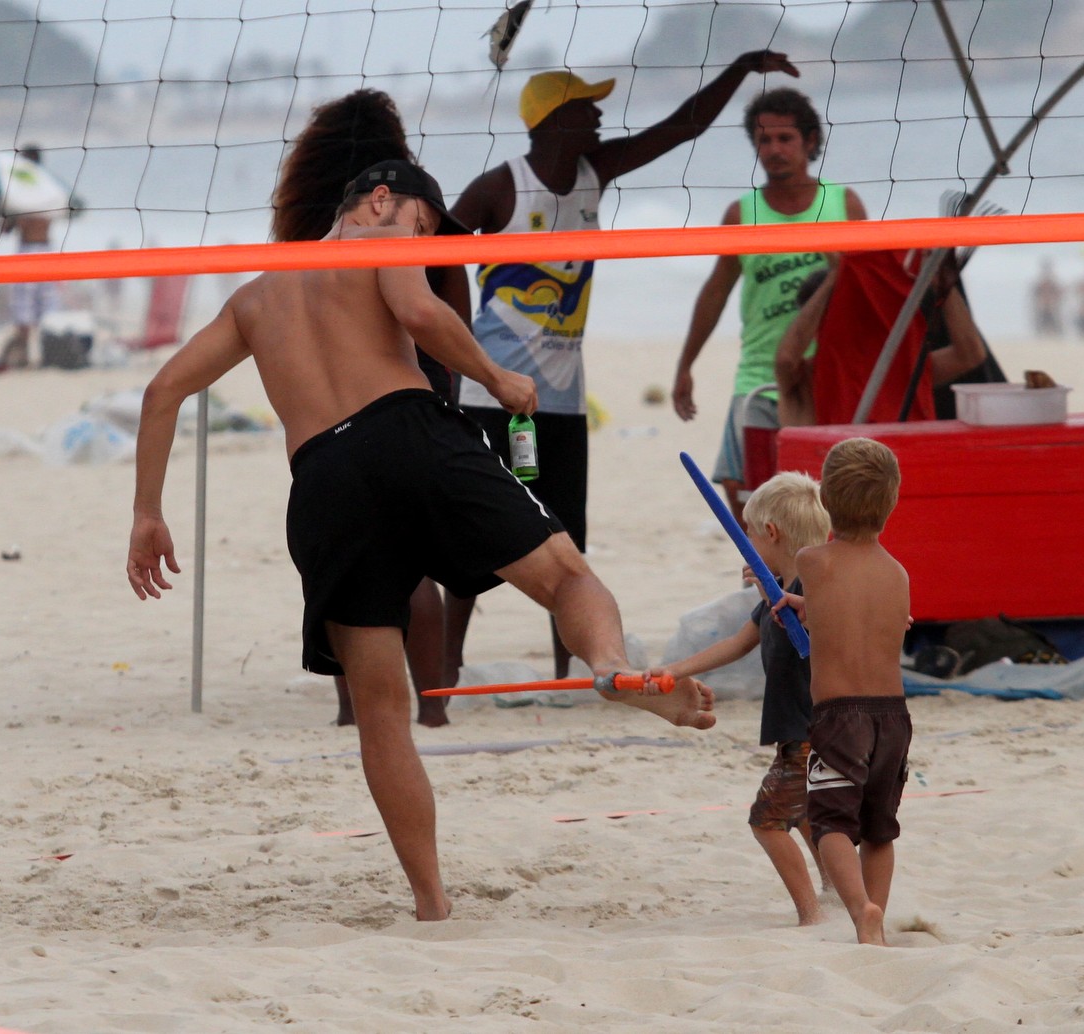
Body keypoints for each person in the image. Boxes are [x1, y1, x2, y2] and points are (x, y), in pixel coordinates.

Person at [126, 159, 715, 921]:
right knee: (566, 573)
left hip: (323, 480)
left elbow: (161, 391)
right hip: (405, 431)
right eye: (427, 228)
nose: (429, 243)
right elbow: (422, 315)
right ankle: (609, 668)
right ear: (379, 200)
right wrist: (497, 378)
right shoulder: (382, 240)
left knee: (380, 712)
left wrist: (148, 512)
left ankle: (432, 903)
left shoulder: (253, 297)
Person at [447, 50, 801, 681]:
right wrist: (449, 366)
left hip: (561, 399)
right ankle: (444, 673)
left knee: (566, 542)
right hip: (490, 394)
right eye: (588, 106)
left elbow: (680, 129)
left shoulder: (594, 170)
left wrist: (739, 67)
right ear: (554, 121)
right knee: (475, 543)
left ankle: (566, 673)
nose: (601, 114)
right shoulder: (499, 187)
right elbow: (435, 262)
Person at [271, 87, 474, 728]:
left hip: (332, 398)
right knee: (417, 554)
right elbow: (451, 300)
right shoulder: (419, 214)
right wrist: (459, 389)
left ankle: (349, 707)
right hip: (419, 381)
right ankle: (435, 709)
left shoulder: (311, 222)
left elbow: (290, 317)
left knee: (343, 551)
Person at [672, 87, 867, 527]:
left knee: (831, 495)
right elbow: (716, 292)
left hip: (829, 372)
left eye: (785, 138)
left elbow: (872, 288)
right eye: (764, 140)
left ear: (810, 142)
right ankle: (760, 585)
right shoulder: (743, 213)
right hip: (760, 372)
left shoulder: (842, 204)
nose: (774, 150)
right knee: (744, 492)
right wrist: (686, 365)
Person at [649, 472, 831, 925]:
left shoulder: (814, 594)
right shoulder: (776, 594)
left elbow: (828, 636)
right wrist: (673, 670)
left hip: (812, 729)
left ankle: (812, 915)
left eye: (748, 532)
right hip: (798, 730)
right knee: (808, 815)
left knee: (767, 822)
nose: (745, 542)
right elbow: (737, 643)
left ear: (770, 534)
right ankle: (834, 895)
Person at [787, 436, 912, 946]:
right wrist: (811, 611)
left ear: (825, 501)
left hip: (840, 717)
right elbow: (862, 624)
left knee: (831, 824)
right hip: (893, 718)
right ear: (892, 502)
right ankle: (874, 921)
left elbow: (828, 611)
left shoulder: (812, 561)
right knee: (880, 828)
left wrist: (795, 604)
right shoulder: (897, 573)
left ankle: (860, 909)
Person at [773, 249, 1004, 427]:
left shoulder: (898, 369)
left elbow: (971, 354)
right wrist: (836, 277)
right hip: (825, 484)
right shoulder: (803, 379)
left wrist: (944, 286)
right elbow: (786, 360)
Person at [0, 146, 59, 369]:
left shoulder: (21, 189)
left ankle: (26, 356)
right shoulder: (49, 186)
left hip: (28, 252)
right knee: (46, 310)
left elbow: (8, 227)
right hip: (47, 252)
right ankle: (44, 356)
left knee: (25, 311)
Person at [1031, 258, 1063, 337]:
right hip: (1045, 307)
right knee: (1043, 328)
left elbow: (1058, 294)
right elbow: (1035, 295)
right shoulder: (1042, 282)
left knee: (1053, 328)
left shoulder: (1050, 282)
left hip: (1050, 308)